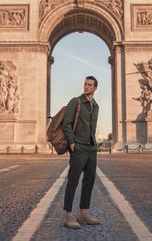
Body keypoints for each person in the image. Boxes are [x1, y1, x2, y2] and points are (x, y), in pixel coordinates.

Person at [62, 76, 100, 229]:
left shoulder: (96, 106)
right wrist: (72, 143)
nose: (86, 87)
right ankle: (69, 215)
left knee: (89, 181)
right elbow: (66, 123)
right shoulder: (75, 101)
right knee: (73, 181)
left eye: (89, 85)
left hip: (92, 148)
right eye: (85, 84)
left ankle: (84, 213)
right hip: (78, 147)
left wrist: (94, 144)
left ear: (95, 88)